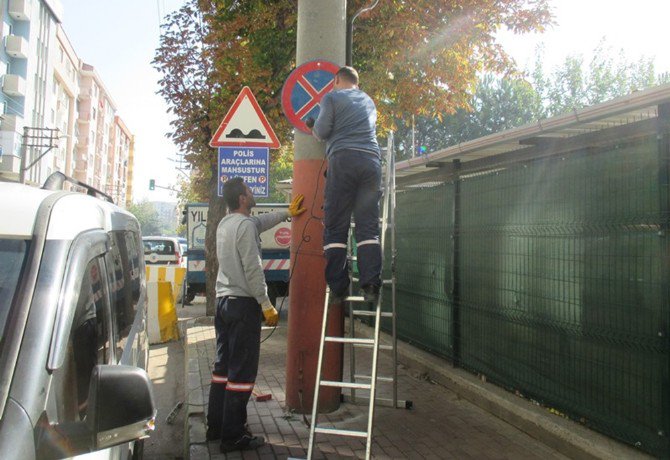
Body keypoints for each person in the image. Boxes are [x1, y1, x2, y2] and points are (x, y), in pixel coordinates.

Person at [206, 177, 305, 453]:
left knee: (222, 370)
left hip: (224, 304)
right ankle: (234, 436)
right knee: (242, 373)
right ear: (242, 198)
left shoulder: (226, 224)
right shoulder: (245, 227)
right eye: (249, 191)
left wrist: (286, 213)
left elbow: (261, 222)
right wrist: (265, 303)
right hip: (242, 307)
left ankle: (216, 427)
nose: (252, 193)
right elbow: (253, 267)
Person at [311, 66, 382, 304]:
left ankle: (339, 288)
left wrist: (313, 126)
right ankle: (371, 285)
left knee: (335, 225)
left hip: (343, 160)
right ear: (357, 83)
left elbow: (322, 131)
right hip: (372, 162)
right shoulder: (369, 101)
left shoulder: (331, 97)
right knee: (368, 227)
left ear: (337, 80)